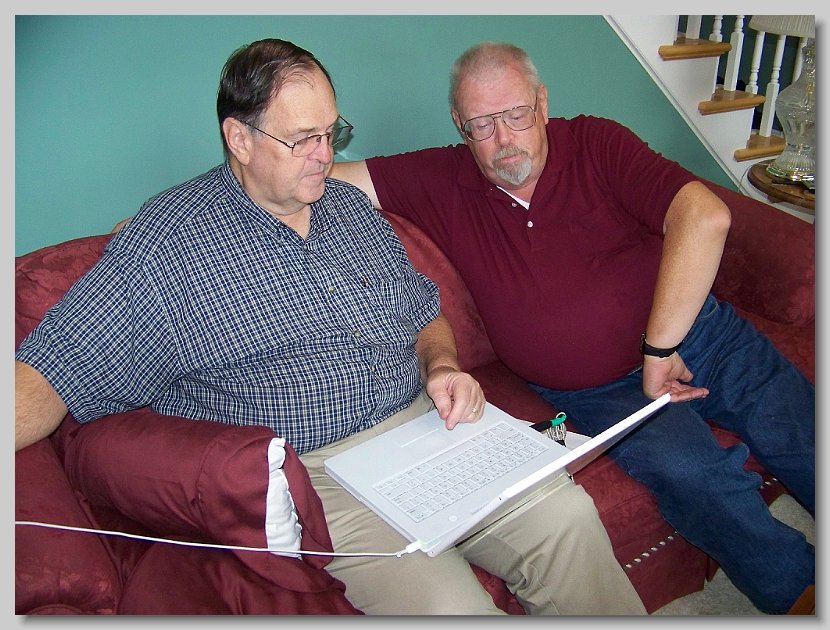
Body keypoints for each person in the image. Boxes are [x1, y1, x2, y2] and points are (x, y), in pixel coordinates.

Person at [14, 38, 647, 616]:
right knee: (447, 606)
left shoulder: (349, 210)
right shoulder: (168, 245)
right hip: (317, 471)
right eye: (303, 139)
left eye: (332, 132)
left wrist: (443, 367)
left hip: (426, 427)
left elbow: (423, 312)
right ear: (239, 139)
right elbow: (49, 376)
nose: (327, 156)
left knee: (568, 520)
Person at [330, 41, 815, 615]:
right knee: (693, 474)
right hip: (597, 389)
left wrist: (661, 346)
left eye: (516, 114)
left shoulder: (596, 142)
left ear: (542, 103)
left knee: (799, 424)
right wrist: (261, 148)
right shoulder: (439, 176)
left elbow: (705, 216)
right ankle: (799, 592)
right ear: (460, 125)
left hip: (697, 331)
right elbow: (316, 175)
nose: (503, 138)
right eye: (482, 124)